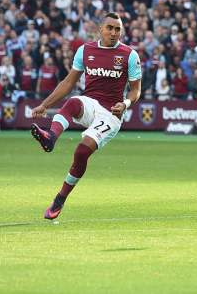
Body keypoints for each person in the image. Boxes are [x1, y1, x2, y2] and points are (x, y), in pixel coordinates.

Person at [29, 13, 142, 220]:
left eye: (118, 29)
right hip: (91, 103)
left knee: (81, 152)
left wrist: (125, 104)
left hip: (111, 114)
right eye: (110, 28)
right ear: (100, 29)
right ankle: (50, 137)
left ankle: (60, 199)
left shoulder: (129, 55)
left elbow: (136, 91)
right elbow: (68, 83)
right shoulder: (85, 50)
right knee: (73, 101)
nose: (114, 32)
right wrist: (45, 105)